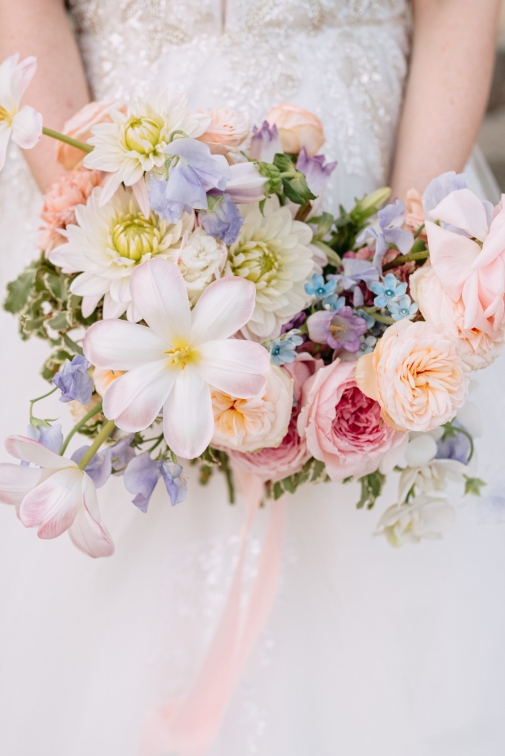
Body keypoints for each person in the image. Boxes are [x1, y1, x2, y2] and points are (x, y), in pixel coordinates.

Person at [1, 2, 505, 755]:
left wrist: (400, 258)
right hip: (119, 193)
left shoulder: (396, 246)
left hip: (376, 182)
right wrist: (98, 223)